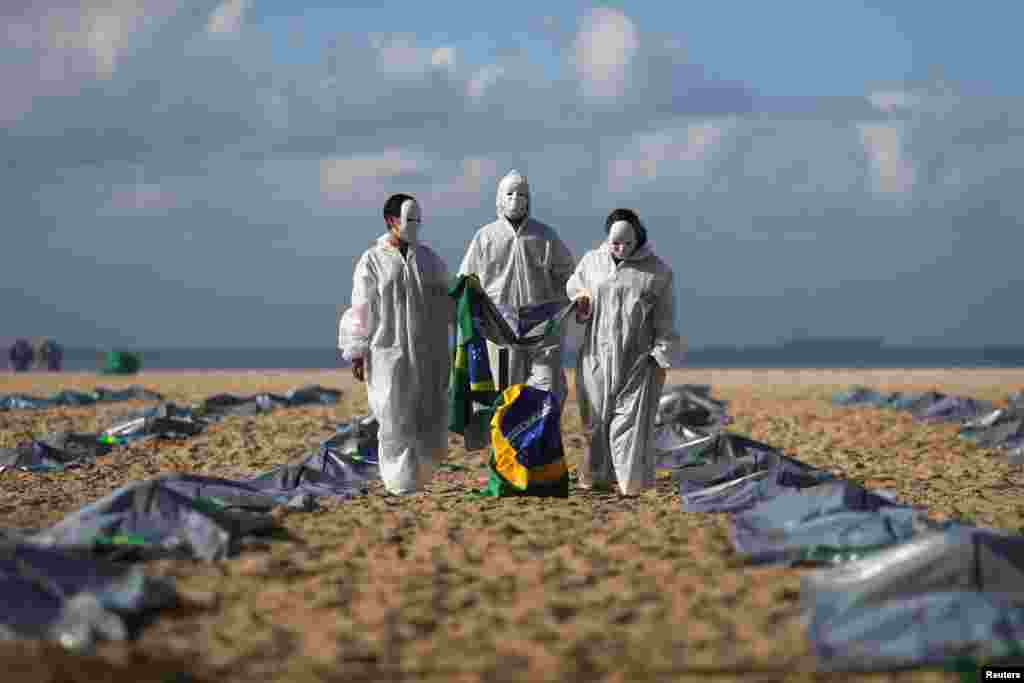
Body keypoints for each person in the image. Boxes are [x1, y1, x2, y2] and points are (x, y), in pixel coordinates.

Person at [338, 193, 453, 495]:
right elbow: (361, 306)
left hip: (426, 349)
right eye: (408, 219)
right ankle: (399, 483)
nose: (414, 225)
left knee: (426, 412)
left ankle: (418, 477)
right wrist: (357, 350)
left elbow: (448, 294)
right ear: (391, 221)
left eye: (418, 220)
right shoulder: (372, 261)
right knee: (392, 415)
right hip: (386, 351)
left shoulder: (428, 259)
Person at [567, 209, 685, 496]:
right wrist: (580, 299)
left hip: (637, 358)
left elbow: (665, 318)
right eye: (614, 243)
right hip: (595, 355)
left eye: (626, 244)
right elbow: (575, 286)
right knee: (595, 420)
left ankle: (628, 483)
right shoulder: (592, 262)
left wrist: (661, 354)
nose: (620, 249)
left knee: (628, 424)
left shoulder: (657, 272)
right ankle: (596, 476)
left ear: (637, 239)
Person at [458, 169, 575, 405]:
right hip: (499, 327)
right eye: (510, 193)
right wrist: (474, 316)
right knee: (504, 395)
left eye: (521, 194)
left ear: (529, 199)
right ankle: (504, 442)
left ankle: (537, 440)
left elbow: (569, 276)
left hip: (540, 327)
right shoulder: (485, 237)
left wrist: (568, 303)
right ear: (500, 197)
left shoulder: (544, 236)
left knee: (547, 389)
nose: (515, 199)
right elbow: (466, 279)